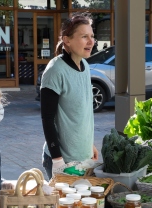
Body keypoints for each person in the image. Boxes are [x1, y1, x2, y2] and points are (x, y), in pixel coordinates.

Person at [40, 12, 99, 180]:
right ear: (67, 40)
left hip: (83, 158)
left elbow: (82, 113)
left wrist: (89, 145)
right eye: (84, 36)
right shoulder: (55, 70)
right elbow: (47, 118)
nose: (91, 42)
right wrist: (57, 159)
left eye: (92, 36)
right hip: (63, 161)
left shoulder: (84, 65)